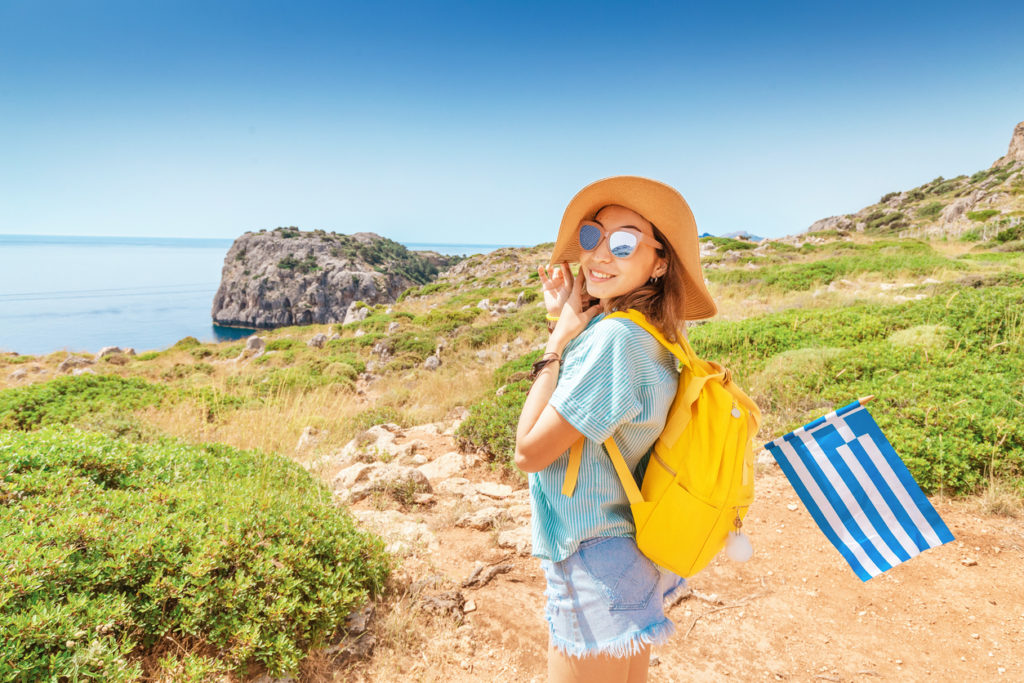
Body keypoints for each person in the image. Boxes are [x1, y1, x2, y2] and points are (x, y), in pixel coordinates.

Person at [514, 176, 718, 683]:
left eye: (624, 243)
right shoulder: (655, 336)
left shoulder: (615, 342)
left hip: (592, 558)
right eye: (591, 236)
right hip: (630, 550)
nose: (599, 255)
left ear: (660, 261)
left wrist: (558, 336)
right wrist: (567, 322)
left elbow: (528, 452)